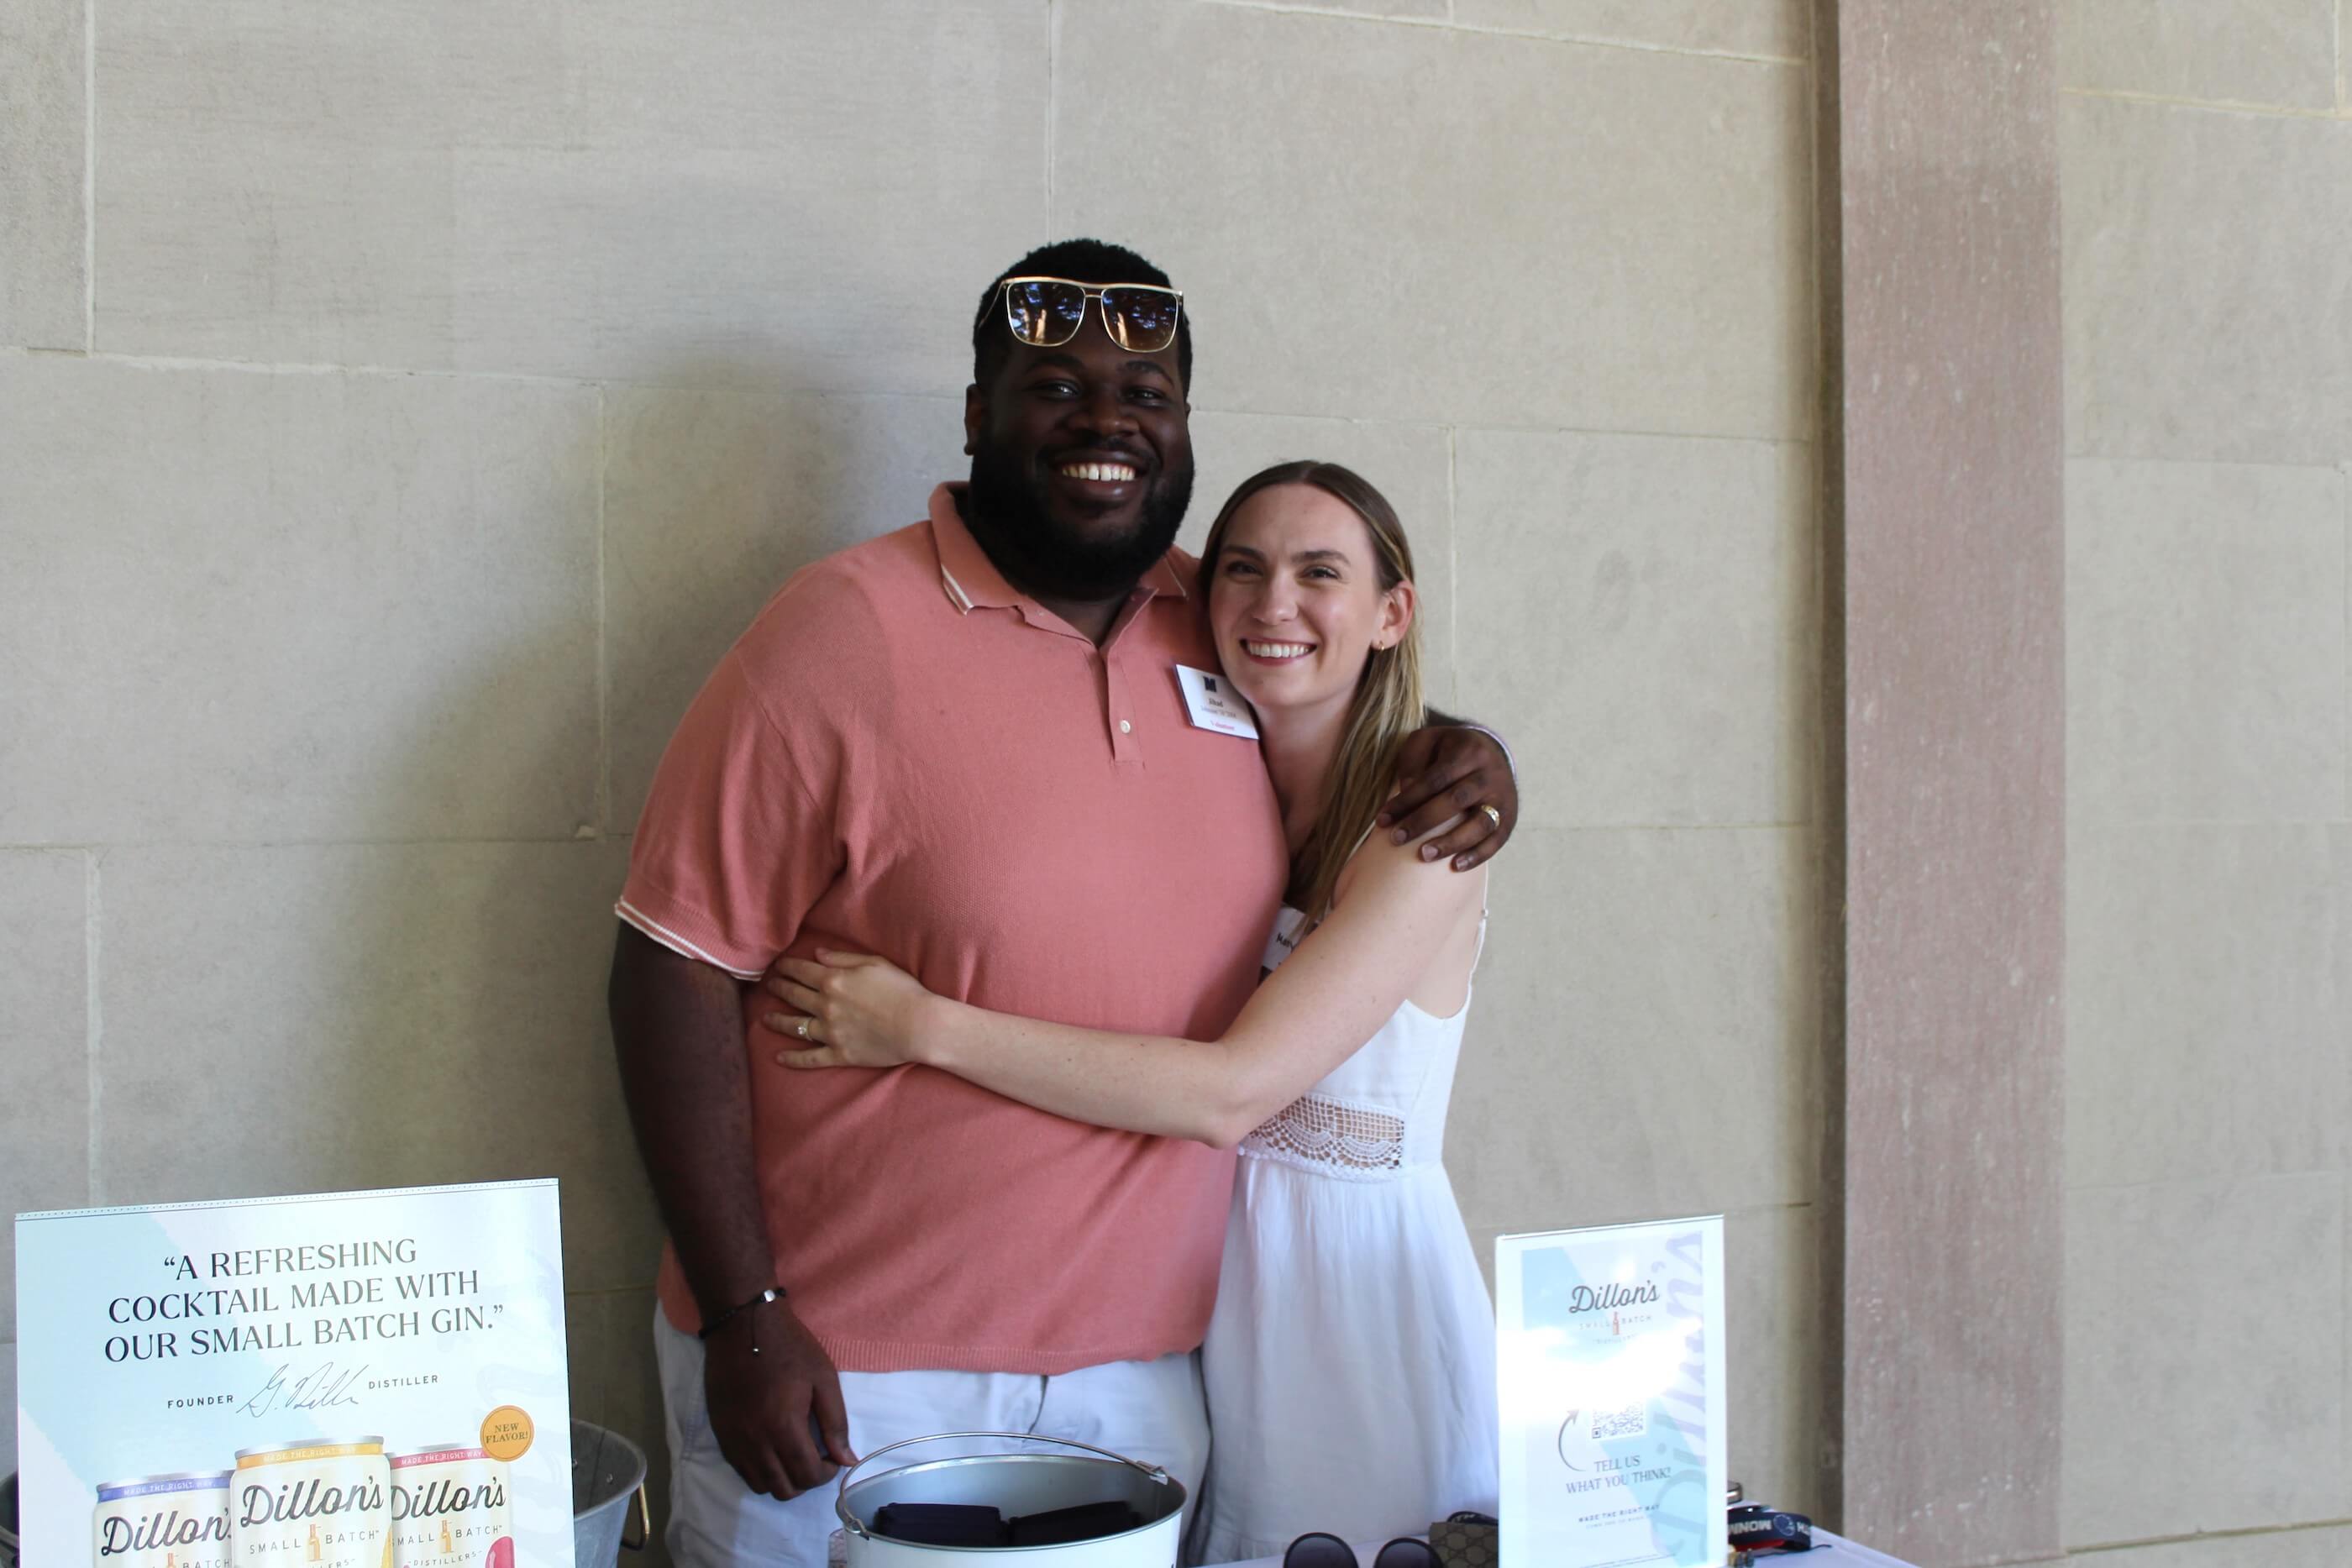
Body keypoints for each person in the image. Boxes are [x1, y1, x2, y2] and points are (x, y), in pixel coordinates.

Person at [606, 239, 1518, 1568]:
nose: (1106, 421)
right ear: (979, 415)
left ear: (1187, 431)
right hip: (848, 1373)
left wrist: (1468, 748)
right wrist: (745, 1312)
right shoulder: (840, 628)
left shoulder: (1208, 629)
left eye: (1147, 393)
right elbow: (669, 962)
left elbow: (1343, 694)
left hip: (1150, 1383)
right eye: (1056, 385)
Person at [759, 460, 1500, 1561]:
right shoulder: (1224, 785)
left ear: (1393, 613)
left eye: (1321, 572)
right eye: (1242, 569)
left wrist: (924, 1026)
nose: (1275, 602)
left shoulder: (1428, 830)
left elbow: (1231, 1092)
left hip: (1353, 1305)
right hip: (1217, 1294)